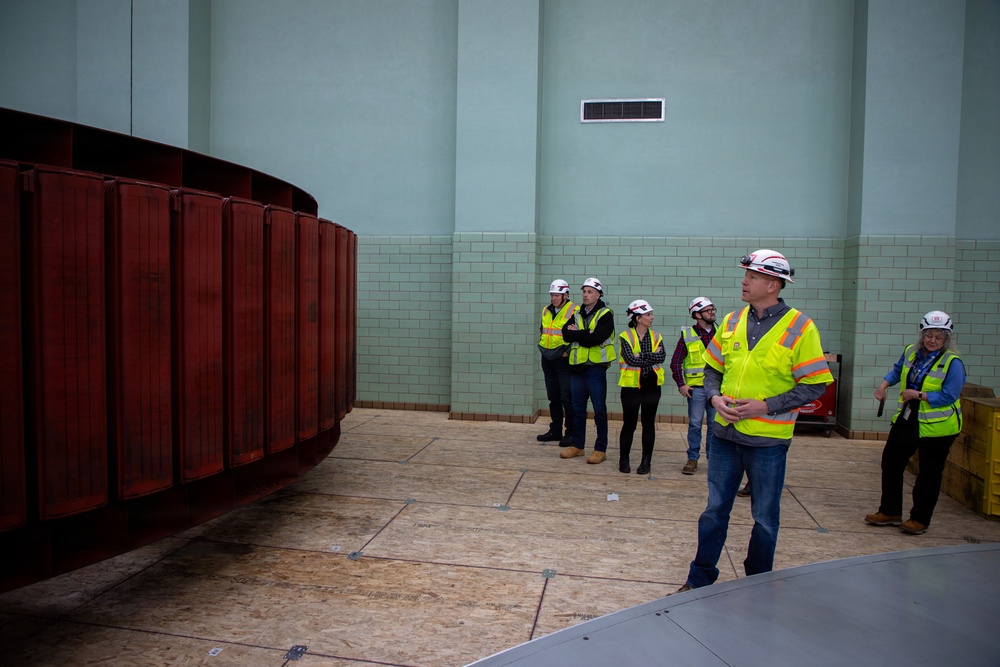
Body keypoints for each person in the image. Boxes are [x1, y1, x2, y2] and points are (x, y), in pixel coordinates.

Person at [678, 249, 834, 592]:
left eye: (752, 276)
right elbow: (711, 370)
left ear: (773, 285)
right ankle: (698, 579)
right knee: (714, 511)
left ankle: (757, 586)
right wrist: (715, 397)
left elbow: (816, 384)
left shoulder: (800, 327)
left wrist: (766, 406)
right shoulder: (732, 321)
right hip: (724, 435)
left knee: (764, 519)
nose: (744, 281)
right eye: (746, 275)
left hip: (768, 441)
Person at [865, 311, 966, 535]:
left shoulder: (952, 362)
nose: (932, 340)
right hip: (909, 418)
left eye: (938, 337)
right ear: (922, 334)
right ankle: (890, 511)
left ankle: (919, 519)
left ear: (946, 339)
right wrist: (883, 385)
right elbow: (898, 369)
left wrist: (918, 395)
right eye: (929, 335)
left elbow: (950, 395)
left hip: (938, 428)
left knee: (929, 473)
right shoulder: (912, 351)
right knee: (891, 462)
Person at [560, 277, 615, 465]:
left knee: (599, 410)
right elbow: (566, 334)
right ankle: (578, 445)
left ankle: (600, 449)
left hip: (595, 369)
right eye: (584, 291)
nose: (585, 294)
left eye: (590, 291)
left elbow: (598, 338)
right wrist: (586, 334)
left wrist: (580, 333)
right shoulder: (577, 313)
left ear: (598, 295)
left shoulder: (605, 314)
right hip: (577, 368)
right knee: (577, 409)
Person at [617, 299, 666, 475]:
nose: (652, 317)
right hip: (631, 387)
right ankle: (624, 459)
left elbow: (662, 357)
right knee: (629, 424)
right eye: (648, 314)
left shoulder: (656, 336)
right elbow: (630, 359)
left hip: (652, 386)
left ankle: (646, 461)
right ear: (638, 318)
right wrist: (651, 355)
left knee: (648, 424)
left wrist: (642, 355)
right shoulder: (625, 336)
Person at [670, 296, 718, 475]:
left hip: (716, 391)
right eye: (708, 310)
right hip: (696, 390)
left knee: (715, 425)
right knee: (696, 424)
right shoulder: (688, 334)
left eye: (713, 309)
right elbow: (676, 362)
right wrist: (681, 384)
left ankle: (713, 460)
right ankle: (692, 459)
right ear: (697, 314)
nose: (712, 313)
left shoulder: (721, 333)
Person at [536, 279, 579, 446]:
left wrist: (568, 351)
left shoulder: (574, 310)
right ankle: (555, 430)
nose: (553, 298)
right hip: (547, 357)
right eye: (552, 295)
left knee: (566, 397)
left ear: (565, 295)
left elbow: (578, 334)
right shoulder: (546, 310)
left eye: (557, 295)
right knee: (553, 397)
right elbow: (543, 329)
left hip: (563, 359)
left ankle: (570, 433)